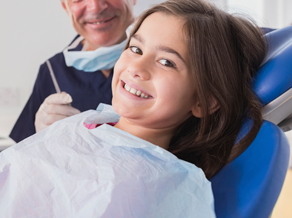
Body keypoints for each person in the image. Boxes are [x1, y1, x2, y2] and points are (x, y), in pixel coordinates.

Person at [0, 0, 266, 216]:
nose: (136, 68)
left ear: (205, 100)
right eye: (136, 49)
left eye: (167, 62)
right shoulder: (90, 120)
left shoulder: (157, 184)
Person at [9, 0, 137, 143]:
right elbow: (24, 158)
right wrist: (41, 140)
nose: (95, 7)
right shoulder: (53, 72)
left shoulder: (160, 64)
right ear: (65, 6)